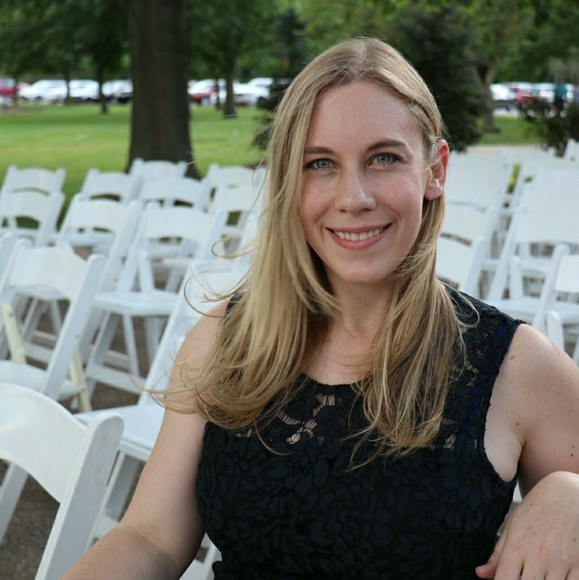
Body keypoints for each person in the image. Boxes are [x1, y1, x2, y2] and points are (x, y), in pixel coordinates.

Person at [63, 37, 579, 579]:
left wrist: (571, 490)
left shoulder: (516, 366)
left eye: (384, 158)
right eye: (320, 164)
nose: (354, 197)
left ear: (435, 171)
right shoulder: (226, 339)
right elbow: (150, 538)